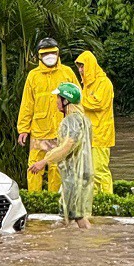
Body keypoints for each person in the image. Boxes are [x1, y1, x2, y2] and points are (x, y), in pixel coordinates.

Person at [17, 37, 79, 192]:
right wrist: (23, 129)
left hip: (60, 129)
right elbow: (27, 103)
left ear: (58, 53)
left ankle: (52, 199)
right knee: (34, 167)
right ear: (39, 56)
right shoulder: (33, 76)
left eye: (53, 53)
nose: (49, 56)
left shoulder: (67, 72)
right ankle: (34, 198)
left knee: (56, 167)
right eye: (45, 53)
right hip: (39, 130)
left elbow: (77, 98)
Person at [29, 82, 94, 229]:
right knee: (65, 217)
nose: (56, 101)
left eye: (59, 98)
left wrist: (44, 161)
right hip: (82, 173)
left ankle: (89, 245)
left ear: (66, 101)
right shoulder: (84, 120)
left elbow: (67, 146)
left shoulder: (70, 121)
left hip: (74, 176)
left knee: (78, 217)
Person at [75, 51, 115, 195]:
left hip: (101, 135)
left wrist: (77, 99)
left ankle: (108, 199)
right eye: (79, 67)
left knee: (100, 170)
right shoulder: (86, 85)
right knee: (90, 172)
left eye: (82, 66)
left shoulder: (104, 83)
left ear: (90, 66)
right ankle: (96, 200)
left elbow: (98, 103)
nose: (80, 70)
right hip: (88, 135)